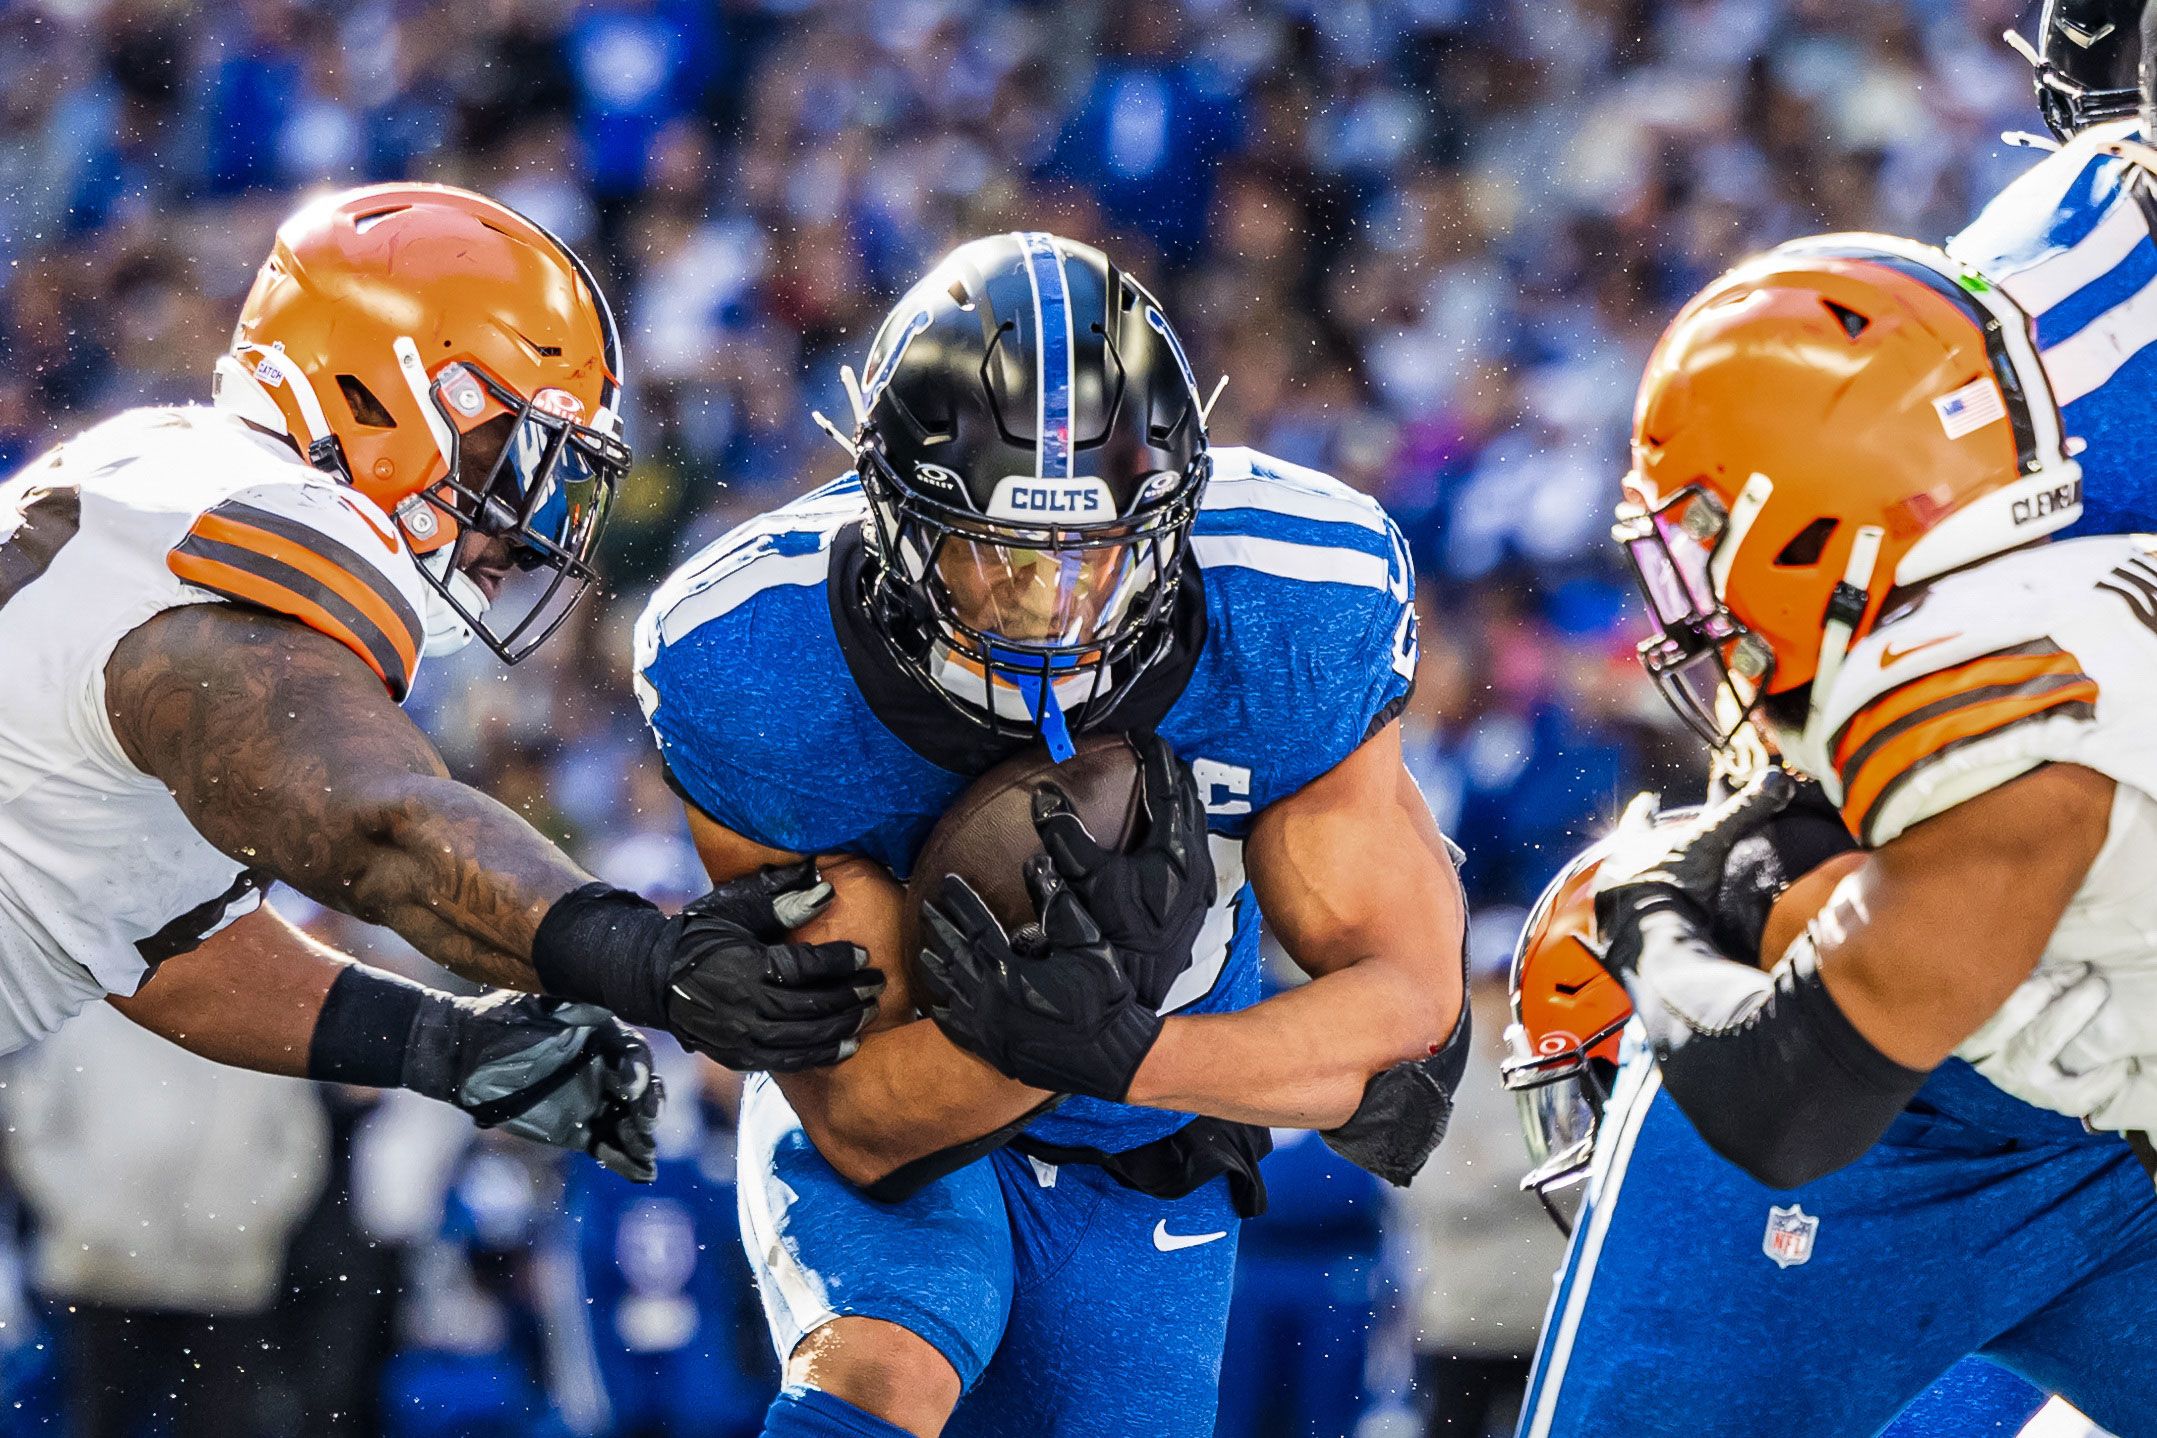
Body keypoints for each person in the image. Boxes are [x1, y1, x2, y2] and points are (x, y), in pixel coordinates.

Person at [634, 232, 1468, 1437]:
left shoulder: (1289, 602)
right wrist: (1033, 1037)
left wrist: (1123, 1048)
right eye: (997, 554)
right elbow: (864, 1116)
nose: (1053, 604)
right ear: (891, 514)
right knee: (883, 1362)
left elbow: (1401, 1008)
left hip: (1150, 1130)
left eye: (1096, 552)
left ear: (1174, 512)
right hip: (923, 1094)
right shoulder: (759, 663)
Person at [0, 182, 882, 1178]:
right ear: (375, 391)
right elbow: (375, 828)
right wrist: (646, 960)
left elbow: (149, 945)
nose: (532, 516)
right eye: (512, 450)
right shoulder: (265, 527)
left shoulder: (152, 484)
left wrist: (446, 1043)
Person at [1521, 229, 2157, 1436]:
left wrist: (1648, 909)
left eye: (1700, 535)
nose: (1690, 589)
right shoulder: (2055, 589)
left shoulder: (1978, 719)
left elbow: (1786, 1104)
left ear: (1804, 518)